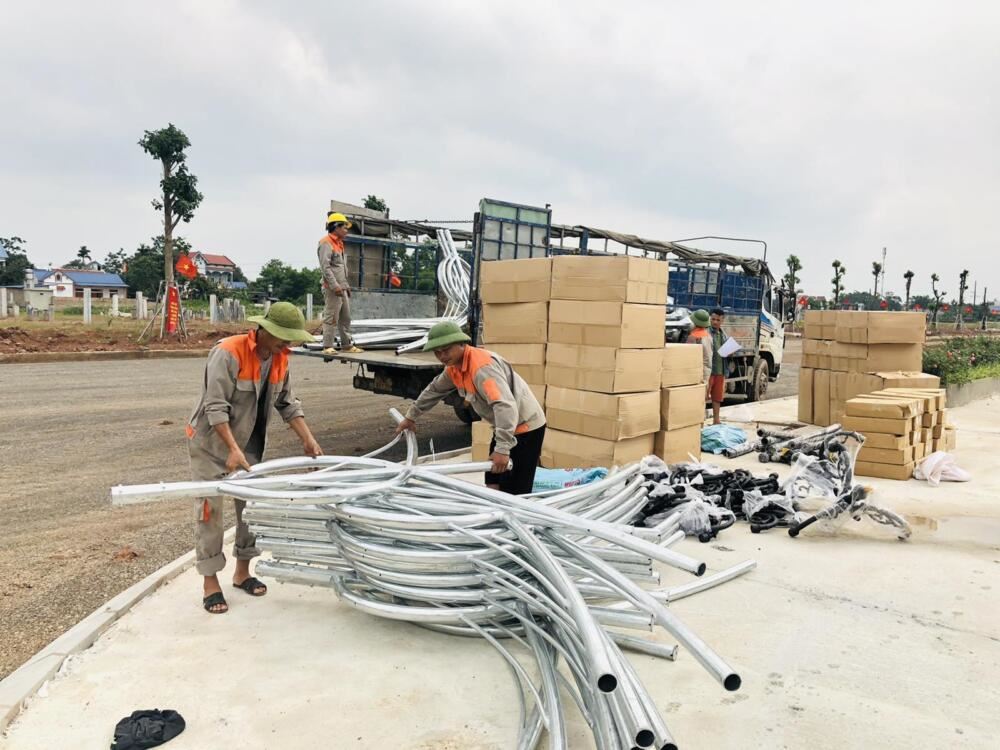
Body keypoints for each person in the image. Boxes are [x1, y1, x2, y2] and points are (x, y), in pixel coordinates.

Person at [186, 302, 324, 614]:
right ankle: (210, 582)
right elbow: (215, 406)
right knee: (210, 510)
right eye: (282, 338)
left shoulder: (280, 357)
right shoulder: (228, 353)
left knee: (250, 507)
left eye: (290, 339)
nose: (286, 344)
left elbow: (287, 403)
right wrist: (231, 449)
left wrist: (308, 439)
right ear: (264, 330)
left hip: (248, 443)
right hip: (211, 443)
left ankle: (242, 572)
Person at [394, 321, 546, 495]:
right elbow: (434, 390)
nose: (442, 356)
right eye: (437, 352)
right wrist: (410, 417)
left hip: (526, 428)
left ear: (462, 344)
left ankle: (514, 510)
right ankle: (493, 508)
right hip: (505, 426)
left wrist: (503, 449)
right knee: (493, 479)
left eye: (446, 350)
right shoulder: (454, 368)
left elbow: (504, 406)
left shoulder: (482, 368)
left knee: (516, 490)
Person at [317, 212, 363, 355]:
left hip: (341, 287)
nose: (346, 230)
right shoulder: (326, 243)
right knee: (331, 317)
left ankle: (347, 345)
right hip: (332, 288)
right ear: (336, 227)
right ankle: (327, 346)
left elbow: (341, 268)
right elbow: (325, 268)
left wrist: (345, 285)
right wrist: (334, 285)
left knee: (345, 318)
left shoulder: (339, 243)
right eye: (344, 227)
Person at [687, 307, 727, 425]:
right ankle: (700, 422)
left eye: (718, 320)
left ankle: (715, 420)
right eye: (713, 319)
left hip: (718, 370)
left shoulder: (722, 334)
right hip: (709, 371)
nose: (715, 322)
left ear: (722, 321)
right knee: (703, 397)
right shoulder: (707, 334)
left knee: (716, 397)